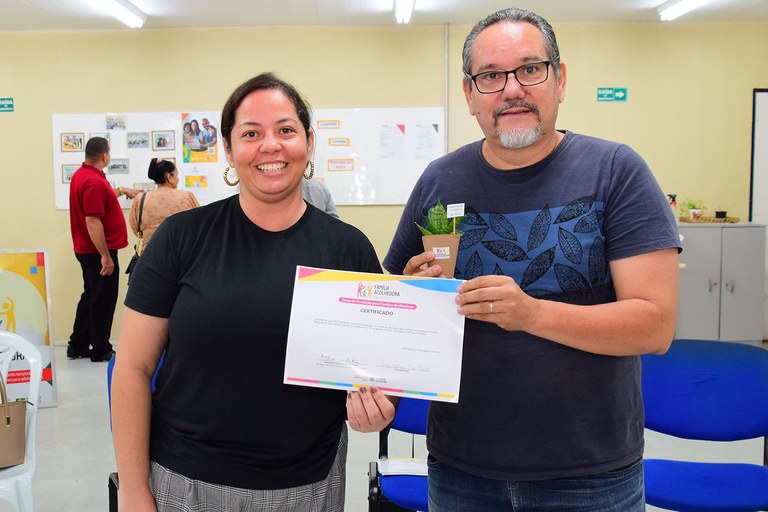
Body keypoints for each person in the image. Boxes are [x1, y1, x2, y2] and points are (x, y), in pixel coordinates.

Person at [383, 8, 680, 511]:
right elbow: (394, 313)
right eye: (491, 76)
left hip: (590, 473)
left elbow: (654, 326)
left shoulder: (615, 172)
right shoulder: (440, 182)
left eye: (530, 69)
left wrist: (532, 315)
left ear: (560, 80)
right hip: (461, 468)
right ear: (470, 94)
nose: (512, 90)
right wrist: (415, 296)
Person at [111, 72, 394, 512]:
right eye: (251, 133)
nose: (270, 146)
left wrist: (376, 405)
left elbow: (378, 373)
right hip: (186, 485)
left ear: (309, 142)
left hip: (308, 486)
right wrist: (132, 492)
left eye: (286, 130)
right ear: (228, 149)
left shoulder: (347, 247)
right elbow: (131, 368)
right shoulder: (181, 238)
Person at [67, 136, 138, 362]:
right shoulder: (94, 182)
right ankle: (100, 349)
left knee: (90, 296)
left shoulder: (83, 175)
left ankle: (77, 344)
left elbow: (102, 199)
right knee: (103, 300)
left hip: (86, 250)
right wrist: (105, 257)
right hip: (98, 252)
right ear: (105, 155)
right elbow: (92, 221)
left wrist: (122, 191)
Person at [129, 158, 199, 248]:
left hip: (151, 252)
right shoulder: (187, 196)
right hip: (183, 250)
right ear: (169, 177)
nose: (178, 179)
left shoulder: (141, 198)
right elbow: (198, 224)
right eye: (176, 176)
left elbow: (136, 228)